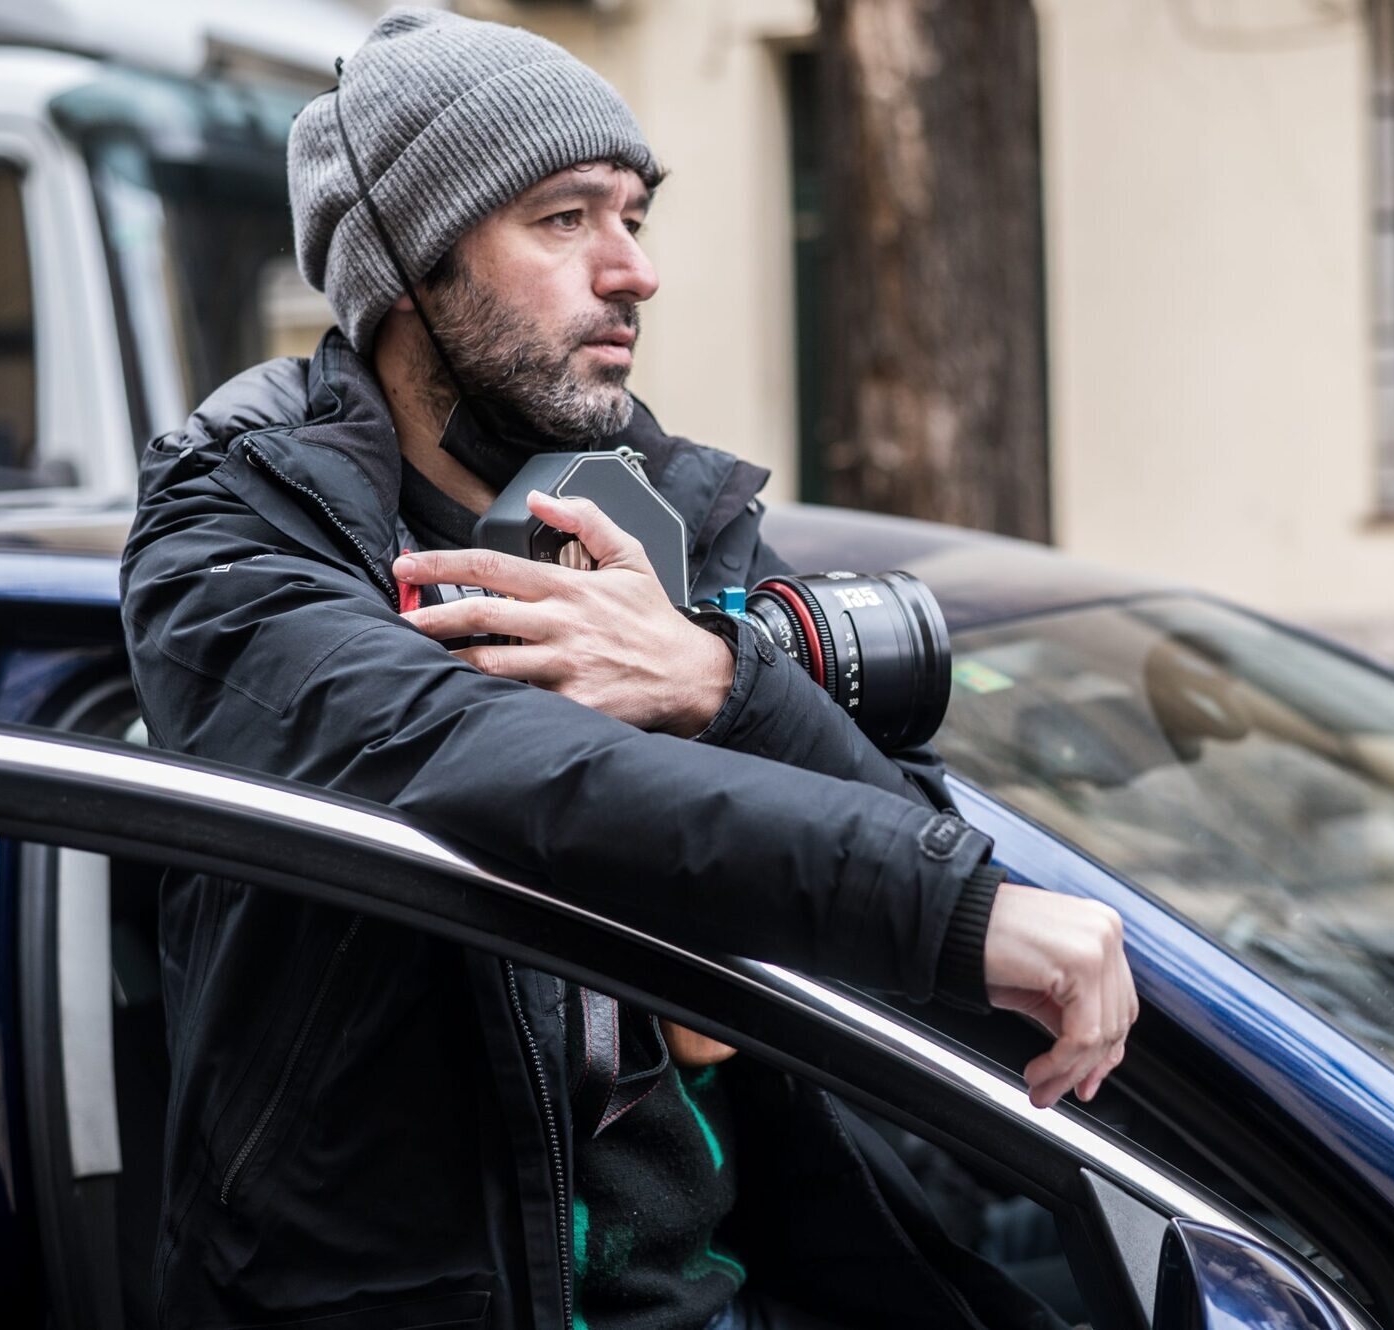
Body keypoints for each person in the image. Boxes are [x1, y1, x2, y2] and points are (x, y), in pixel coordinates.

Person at [119, 9, 1134, 1330]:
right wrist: (944, 907)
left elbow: (922, 892)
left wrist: (724, 683)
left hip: (725, 1293)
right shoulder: (237, 526)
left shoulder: (667, 519)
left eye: (635, 217)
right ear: (411, 265)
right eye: (563, 218)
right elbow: (467, 760)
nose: (633, 270)